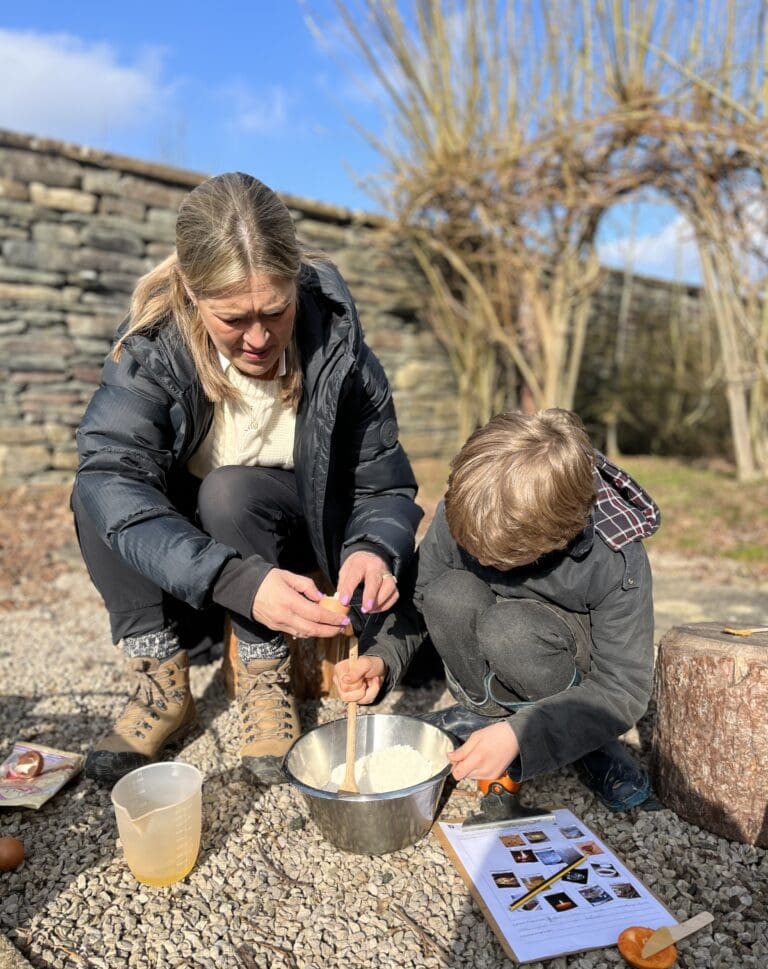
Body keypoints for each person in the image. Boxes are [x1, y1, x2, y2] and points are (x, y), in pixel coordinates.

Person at [72, 171, 422, 787]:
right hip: (201, 555)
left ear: (296, 285)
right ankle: (162, 681)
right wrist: (231, 578)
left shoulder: (341, 348)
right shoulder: (153, 349)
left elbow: (382, 486)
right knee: (96, 491)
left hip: (293, 529)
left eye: (275, 312)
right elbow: (109, 471)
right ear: (190, 291)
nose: (258, 339)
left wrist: (372, 548)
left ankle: (265, 674)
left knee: (231, 489)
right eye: (233, 319)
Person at [333, 409, 660, 813]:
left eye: (497, 558)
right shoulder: (471, 508)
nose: (479, 559)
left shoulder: (614, 557)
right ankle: (482, 713)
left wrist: (521, 736)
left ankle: (587, 746)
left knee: (510, 630)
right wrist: (381, 658)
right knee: (446, 594)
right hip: (495, 642)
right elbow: (416, 602)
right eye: (472, 548)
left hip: (560, 675)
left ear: (559, 535)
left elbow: (621, 688)